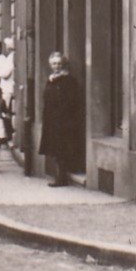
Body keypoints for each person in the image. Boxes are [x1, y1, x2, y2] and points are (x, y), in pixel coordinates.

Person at [39, 51, 83, 186]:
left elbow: (71, 100)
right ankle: (59, 176)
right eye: (53, 63)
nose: (56, 66)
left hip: (64, 121)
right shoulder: (51, 79)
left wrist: (61, 113)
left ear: (63, 64)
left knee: (62, 149)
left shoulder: (68, 80)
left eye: (58, 63)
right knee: (55, 149)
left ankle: (61, 178)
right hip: (52, 120)